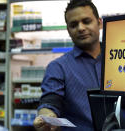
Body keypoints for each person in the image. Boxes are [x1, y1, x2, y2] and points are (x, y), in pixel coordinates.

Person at [33, 0, 102, 131]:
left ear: (99, 23)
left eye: (86, 21)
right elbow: (50, 101)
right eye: (73, 25)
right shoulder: (58, 67)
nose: (81, 28)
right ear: (68, 30)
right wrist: (46, 118)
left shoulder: (119, 58)